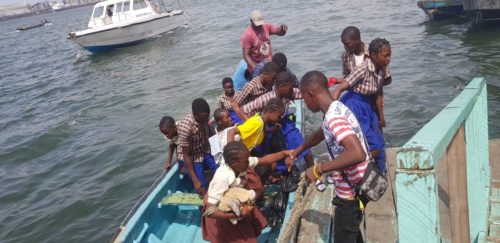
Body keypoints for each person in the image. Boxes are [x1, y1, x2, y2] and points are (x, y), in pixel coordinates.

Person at [288, 71, 370, 243]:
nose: (306, 104)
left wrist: (319, 169)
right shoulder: (336, 108)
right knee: (353, 234)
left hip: (350, 193)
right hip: (359, 184)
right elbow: (321, 133)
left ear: (311, 94)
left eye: (304, 98)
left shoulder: (334, 117)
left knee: (345, 235)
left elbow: (357, 153)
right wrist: (298, 150)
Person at [332, 38, 391, 173]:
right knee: (373, 144)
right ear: (374, 55)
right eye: (385, 56)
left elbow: (378, 93)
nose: (388, 59)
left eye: (389, 55)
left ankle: (381, 171)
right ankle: (355, 168)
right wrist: (331, 111)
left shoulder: (382, 70)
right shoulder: (362, 69)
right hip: (354, 105)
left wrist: (381, 118)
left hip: (369, 105)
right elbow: (341, 88)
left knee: (379, 141)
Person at [236, 71, 314, 169]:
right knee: (270, 151)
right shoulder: (266, 98)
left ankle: (312, 172)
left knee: (303, 146)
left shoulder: (289, 93)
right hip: (268, 125)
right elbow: (243, 110)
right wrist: (256, 125)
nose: (292, 91)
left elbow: (304, 93)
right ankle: (279, 171)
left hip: (284, 122)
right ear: (281, 87)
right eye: (290, 89)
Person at [203, 141, 292, 226]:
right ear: (234, 163)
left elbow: (264, 160)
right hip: (220, 214)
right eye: (246, 162)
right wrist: (238, 214)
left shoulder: (241, 163)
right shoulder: (222, 177)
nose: (248, 163)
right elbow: (209, 212)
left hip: (236, 204)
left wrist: (284, 153)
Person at [339, 26, 391, 128]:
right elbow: (348, 78)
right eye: (343, 44)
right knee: (358, 128)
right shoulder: (345, 56)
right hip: (356, 99)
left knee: (375, 126)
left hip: (373, 97)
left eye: (347, 44)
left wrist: (371, 86)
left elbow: (387, 78)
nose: (345, 47)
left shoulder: (374, 52)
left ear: (357, 40)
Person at [177, 98, 219, 194]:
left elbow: (209, 135)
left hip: (202, 150)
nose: (205, 121)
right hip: (191, 156)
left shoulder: (204, 117)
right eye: (203, 119)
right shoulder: (185, 127)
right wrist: (195, 180)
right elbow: (186, 155)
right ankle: (204, 204)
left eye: (207, 118)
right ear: (194, 114)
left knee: (220, 169)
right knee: (201, 185)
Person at [241, 10, 288, 75]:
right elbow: (246, 55)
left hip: (270, 63)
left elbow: (280, 32)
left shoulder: (266, 27)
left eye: (260, 23)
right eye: (257, 24)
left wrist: (283, 30)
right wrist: (255, 67)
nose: (259, 26)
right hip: (257, 65)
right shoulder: (247, 35)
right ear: (251, 21)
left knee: (287, 73)